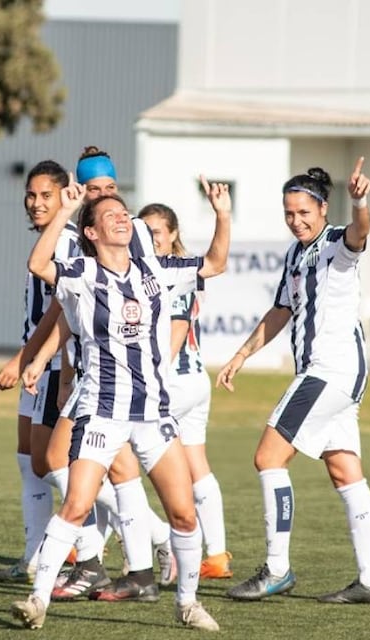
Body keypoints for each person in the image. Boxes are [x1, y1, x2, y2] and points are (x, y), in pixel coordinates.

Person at [10, 177, 232, 631]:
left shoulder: (155, 271)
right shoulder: (82, 274)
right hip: (102, 411)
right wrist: (65, 214)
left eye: (122, 212)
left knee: (183, 513)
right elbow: (38, 262)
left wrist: (222, 214)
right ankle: (37, 601)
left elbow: (214, 263)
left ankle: (187, 604)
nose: (120, 218)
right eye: (108, 214)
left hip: (151, 413)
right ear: (91, 233)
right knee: (75, 505)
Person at [217, 158, 370, 605]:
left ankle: (276, 569)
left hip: (330, 370)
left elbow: (361, 231)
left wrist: (361, 201)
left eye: (304, 213)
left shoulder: (337, 242)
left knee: (268, 457)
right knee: (344, 470)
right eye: (289, 214)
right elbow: (280, 312)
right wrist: (241, 354)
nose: (296, 221)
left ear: (323, 209)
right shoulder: (296, 253)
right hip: (336, 374)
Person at [18, 147, 179, 602]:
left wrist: (43, 362)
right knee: (70, 464)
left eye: (112, 189)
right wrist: (40, 359)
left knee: (56, 462)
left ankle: (106, 556)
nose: (107, 197)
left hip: (102, 382)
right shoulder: (77, 241)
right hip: (78, 372)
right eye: (96, 191)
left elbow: (66, 313)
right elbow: (71, 313)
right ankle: (136, 561)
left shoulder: (83, 242)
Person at [0, 160, 90, 583]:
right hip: (37, 365)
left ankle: (109, 546)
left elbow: (60, 311)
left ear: (66, 195)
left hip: (54, 364)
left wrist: (23, 358)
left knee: (53, 464)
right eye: (31, 194)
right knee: (28, 460)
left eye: (46, 195)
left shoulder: (66, 242)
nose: (35, 202)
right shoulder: (50, 239)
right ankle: (32, 557)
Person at [137, 203, 232, 579]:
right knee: (197, 467)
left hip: (172, 381)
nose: (150, 238)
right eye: (144, 231)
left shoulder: (174, 271)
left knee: (116, 460)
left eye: (157, 231)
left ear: (173, 233)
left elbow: (175, 329)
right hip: (195, 380)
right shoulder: (179, 268)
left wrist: (152, 377)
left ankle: (155, 542)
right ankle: (218, 555)